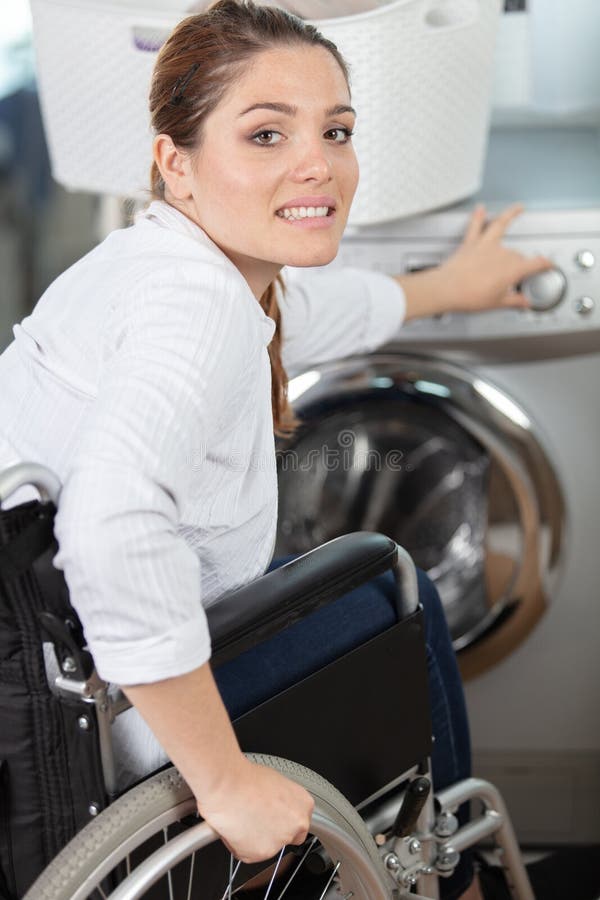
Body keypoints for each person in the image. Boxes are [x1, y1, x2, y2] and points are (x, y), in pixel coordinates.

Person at [0, 2, 551, 897]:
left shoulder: (159, 265)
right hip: (121, 713)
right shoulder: (201, 312)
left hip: (45, 675)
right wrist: (224, 782)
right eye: (265, 134)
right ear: (175, 164)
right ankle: (450, 869)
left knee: (325, 568)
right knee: (391, 579)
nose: (318, 164)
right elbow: (109, 527)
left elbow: (303, 317)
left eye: (337, 130)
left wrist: (449, 285)